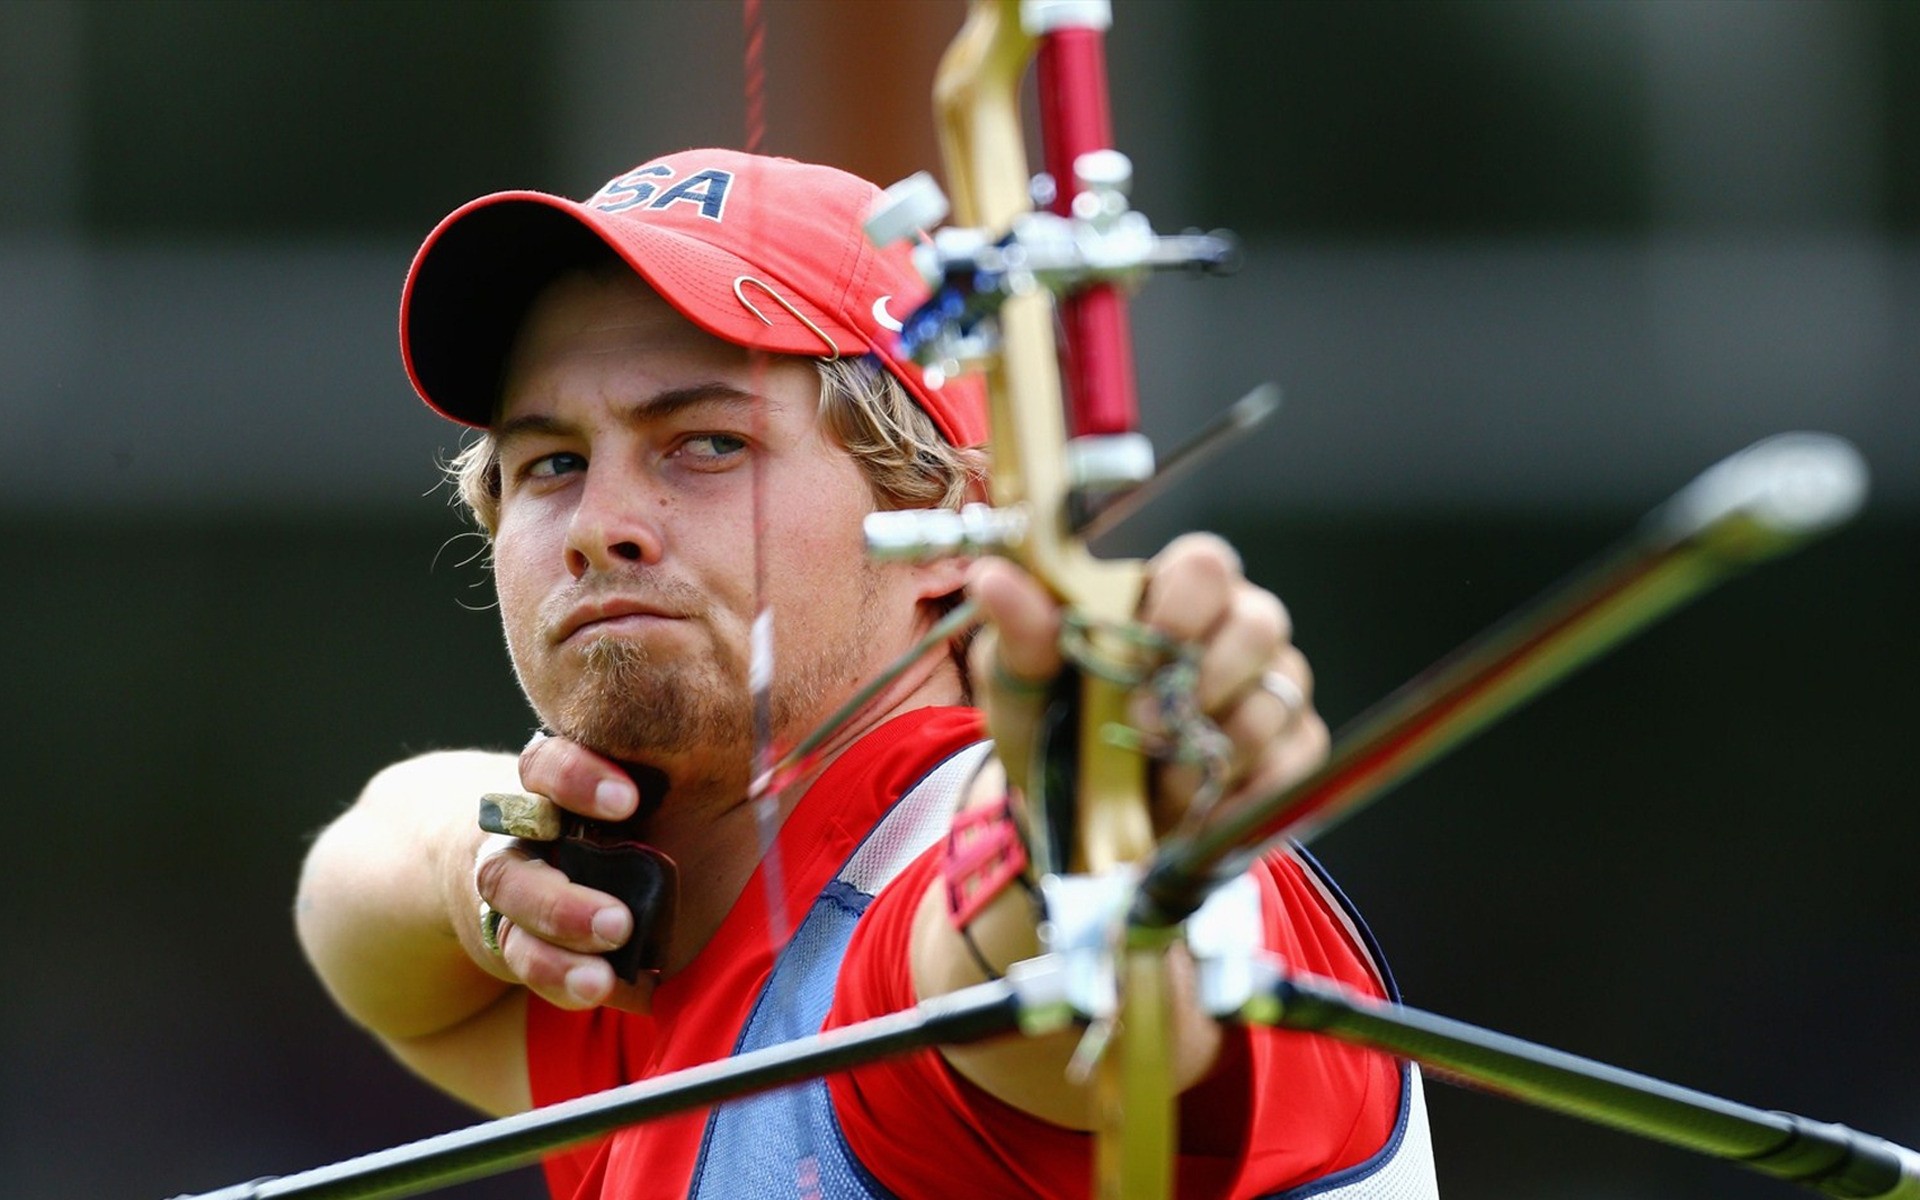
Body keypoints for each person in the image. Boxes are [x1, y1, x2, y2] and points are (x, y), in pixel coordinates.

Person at [295, 148, 1438, 1199]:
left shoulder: (914, 905)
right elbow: (352, 910)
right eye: (549, 462)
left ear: (946, 528)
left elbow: (1029, 979)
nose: (600, 525)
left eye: (706, 443)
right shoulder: (642, 958)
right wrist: (478, 860)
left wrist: (1091, 814)